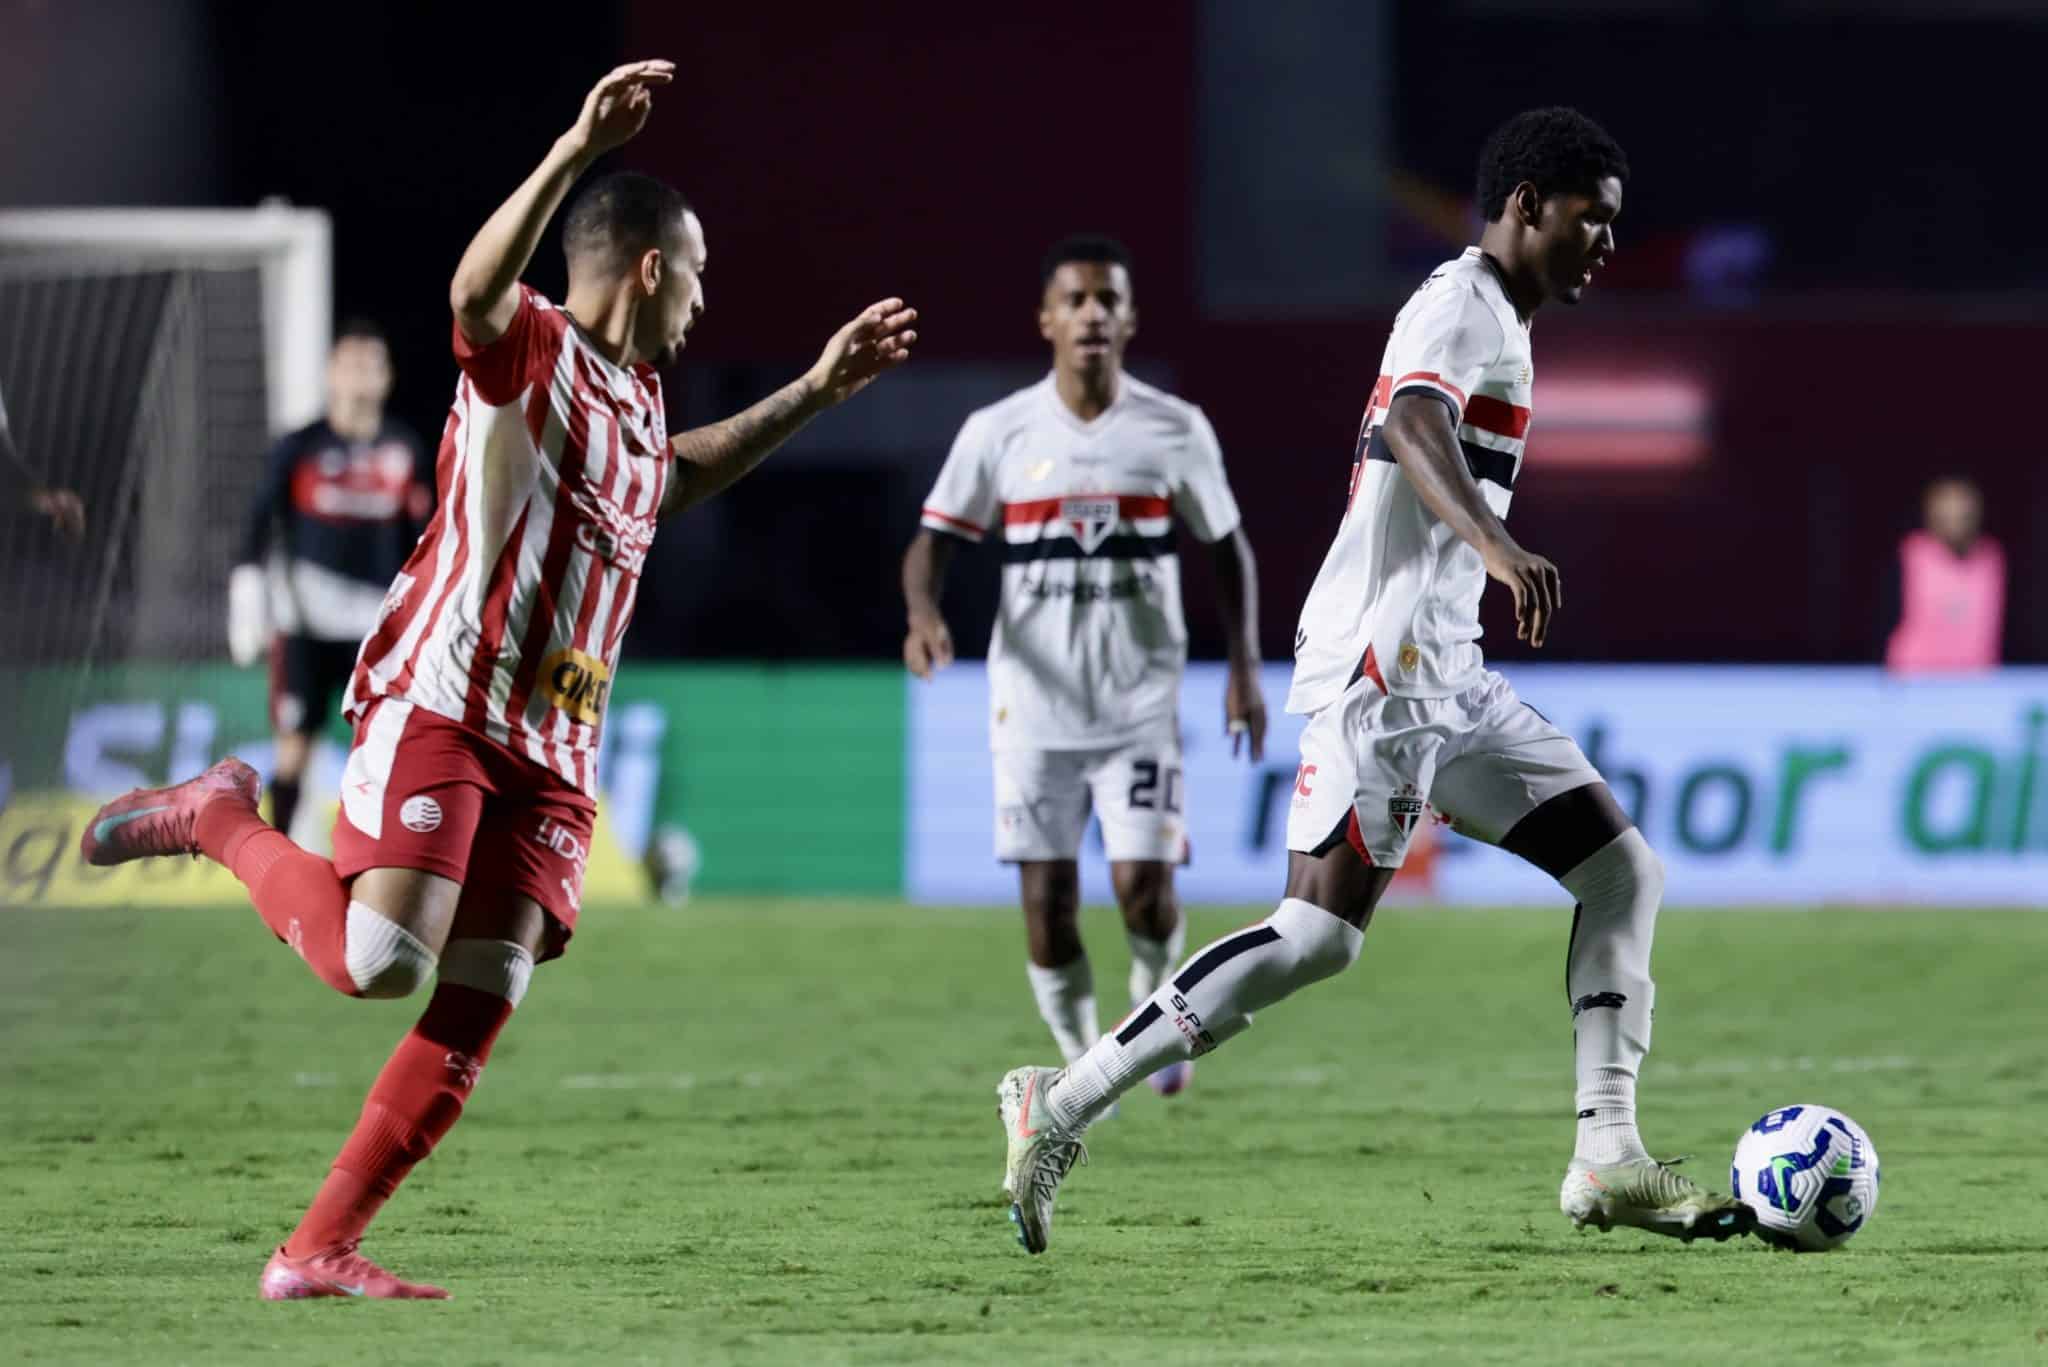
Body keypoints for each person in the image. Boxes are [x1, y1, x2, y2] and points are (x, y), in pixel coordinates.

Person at [79, 59, 917, 1300]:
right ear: (648, 266)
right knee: (377, 961)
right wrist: (575, 146)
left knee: (483, 989)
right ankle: (218, 818)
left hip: (558, 746)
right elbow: (472, 292)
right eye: (696, 271)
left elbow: (669, 479)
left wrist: (812, 390)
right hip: (453, 698)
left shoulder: (636, 402)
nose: (702, 297)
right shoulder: (528, 349)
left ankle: (314, 1248)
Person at [995, 108, 1753, 1254]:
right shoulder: (1458, 301)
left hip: (1445, 672)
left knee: (1618, 871)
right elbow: (1409, 416)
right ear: (1523, 206)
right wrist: (1498, 550)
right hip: (1383, 669)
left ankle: (1606, 1155)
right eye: (1588, 220)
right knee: (1314, 937)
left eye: (1613, 224)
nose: (1604, 242)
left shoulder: (1504, 317)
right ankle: (1057, 1101)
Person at [903, 235, 1266, 1097]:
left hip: (1140, 707)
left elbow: (1228, 551)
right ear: (1047, 320)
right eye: (1076, 299)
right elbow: (931, 545)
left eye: (1109, 299)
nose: (1093, 313)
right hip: (1031, 710)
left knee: (1146, 892)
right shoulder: (998, 432)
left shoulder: (1175, 429)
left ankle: (1149, 1003)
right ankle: (1082, 1060)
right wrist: (922, 614)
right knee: (1047, 908)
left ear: (1130, 318)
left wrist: (1245, 665)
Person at [228, 321, 434, 842]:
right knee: (293, 746)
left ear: (387, 377)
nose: (361, 376)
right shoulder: (300, 445)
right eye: (351, 364)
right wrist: (246, 591)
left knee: (380, 748)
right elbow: (257, 522)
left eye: (372, 365)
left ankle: (373, 859)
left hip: (375, 630)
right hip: (305, 623)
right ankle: (278, 857)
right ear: (330, 374)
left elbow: (426, 541)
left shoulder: (405, 449)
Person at [1884, 476, 2004, 674]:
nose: (1955, 518)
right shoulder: (1912, 553)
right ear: (1930, 513)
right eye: (1946, 510)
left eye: (1963, 512)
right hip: (1916, 677)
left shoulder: (1991, 557)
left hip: (1977, 679)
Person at [0, 384, 85, 538]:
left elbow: (10, 466)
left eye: (71, 505)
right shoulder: (43, 497)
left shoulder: (39, 499)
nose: (71, 498)